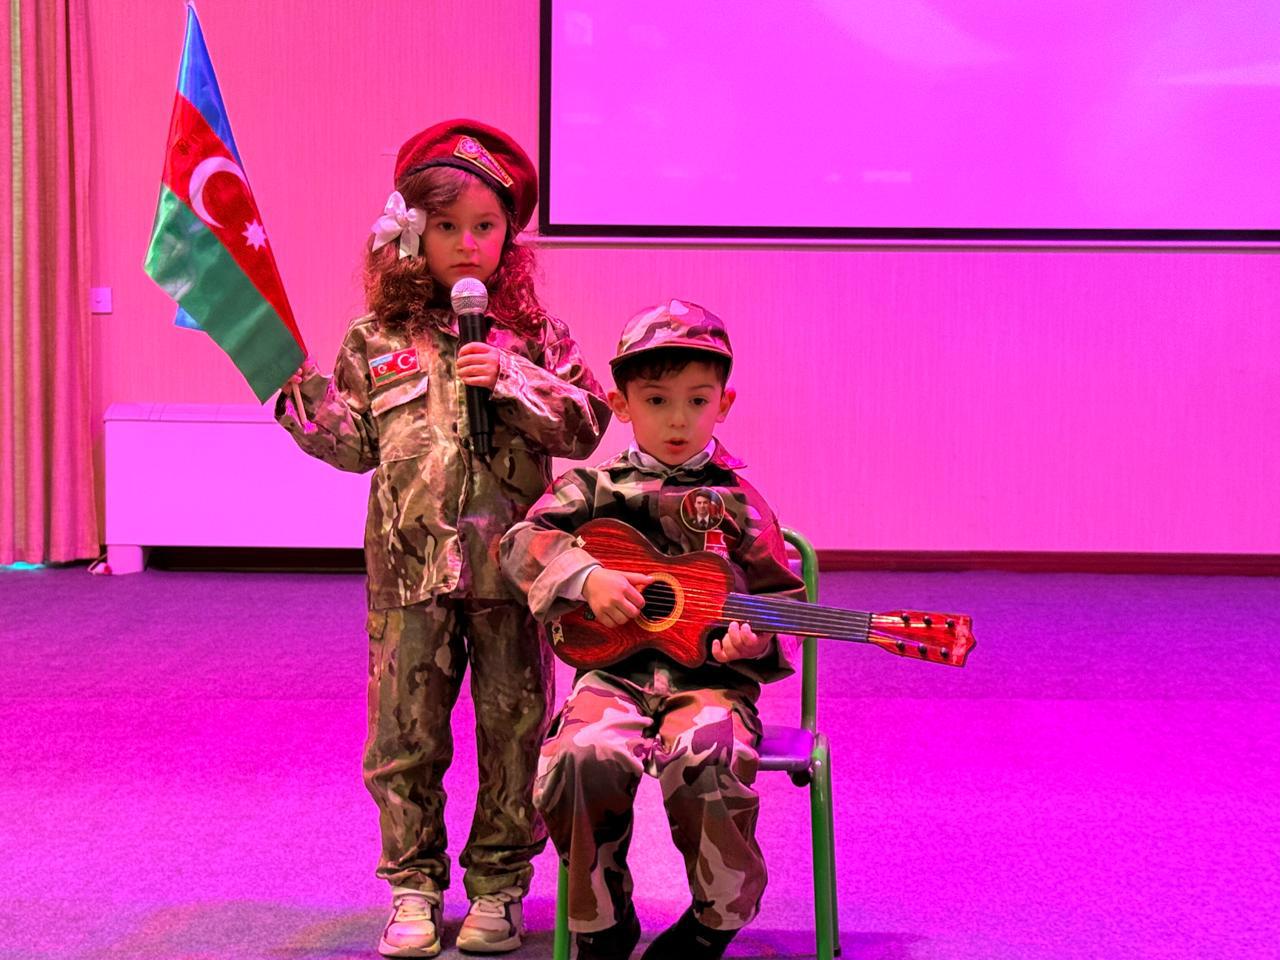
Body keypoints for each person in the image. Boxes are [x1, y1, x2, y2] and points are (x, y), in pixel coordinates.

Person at [276, 119, 611, 957]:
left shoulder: (537, 337)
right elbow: (355, 446)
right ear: (412, 234)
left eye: (486, 226)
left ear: (509, 237)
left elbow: (587, 424)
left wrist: (514, 378)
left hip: (513, 578)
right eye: (448, 226)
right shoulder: (374, 339)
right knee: (404, 740)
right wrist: (291, 390)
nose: (467, 243)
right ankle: (413, 887)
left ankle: (499, 884)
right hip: (409, 578)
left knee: (514, 733)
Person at [500, 300, 805, 960]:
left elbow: (782, 601)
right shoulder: (593, 488)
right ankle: (601, 920)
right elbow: (521, 542)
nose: (677, 419)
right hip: (613, 677)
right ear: (621, 403)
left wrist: (755, 639)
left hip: (710, 685)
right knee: (579, 757)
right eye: (657, 400)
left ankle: (715, 920)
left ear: (723, 404)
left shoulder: (740, 504)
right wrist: (585, 577)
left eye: (697, 401)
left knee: (708, 754)